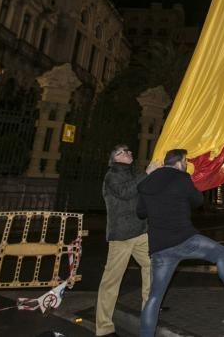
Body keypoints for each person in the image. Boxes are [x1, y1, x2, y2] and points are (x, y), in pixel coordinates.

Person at [137, 148, 224, 337]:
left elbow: (140, 212)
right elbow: (197, 200)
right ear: (179, 162)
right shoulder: (181, 178)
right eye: (186, 161)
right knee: (221, 253)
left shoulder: (146, 183)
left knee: (154, 297)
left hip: (160, 248)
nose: (186, 165)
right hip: (185, 240)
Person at [96, 144, 152, 337]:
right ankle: (104, 327)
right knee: (111, 281)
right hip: (121, 236)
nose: (128, 152)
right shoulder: (112, 176)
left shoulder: (133, 173)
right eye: (122, 152)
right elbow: (126, 192)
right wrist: (146, 173)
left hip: (141, 232)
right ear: (114, 159)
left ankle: (148, 314)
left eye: (129, 150)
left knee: (152, 268)